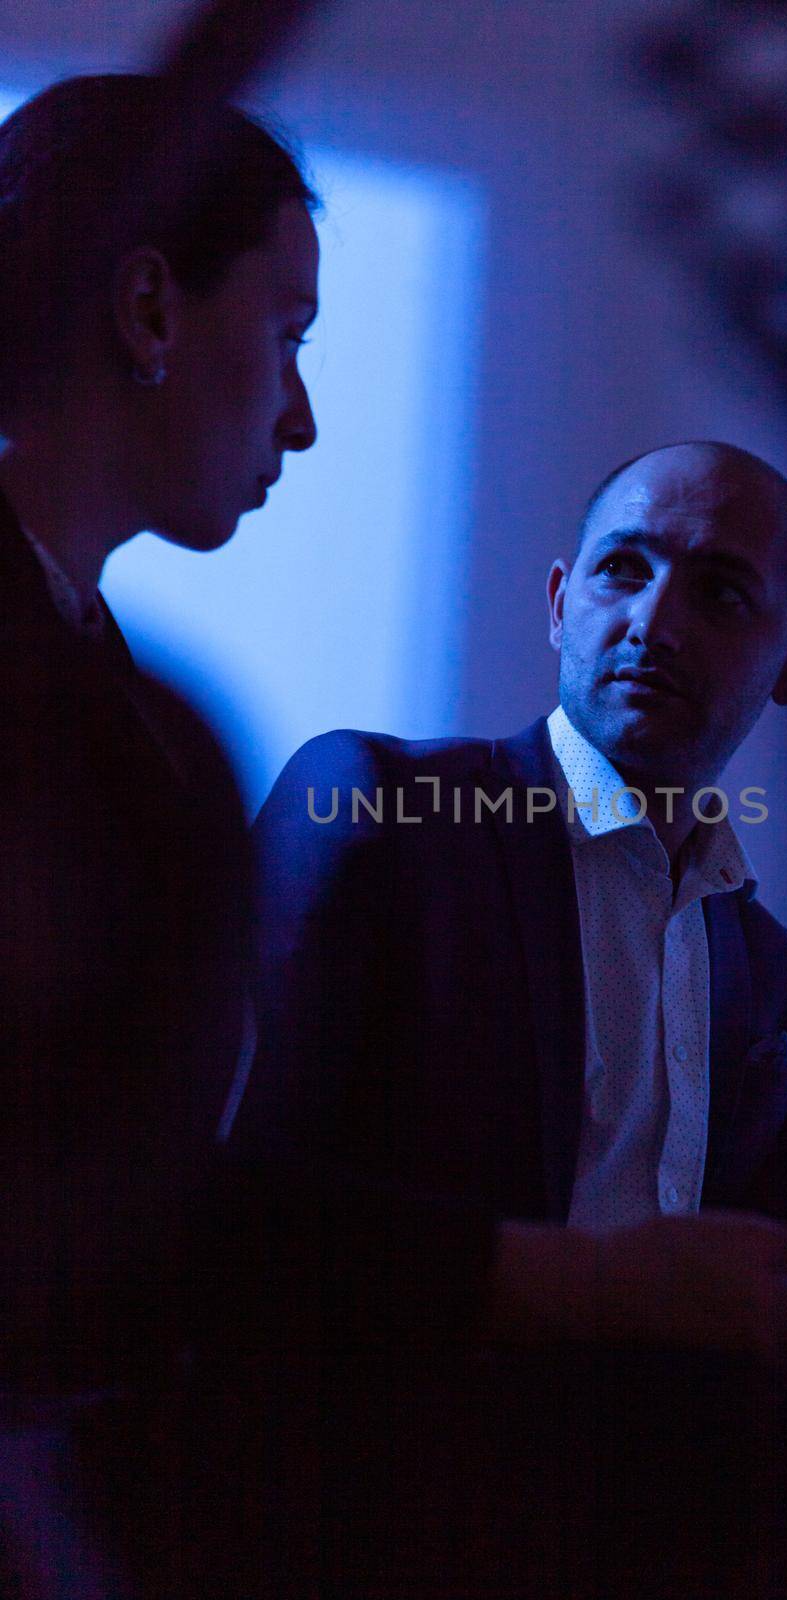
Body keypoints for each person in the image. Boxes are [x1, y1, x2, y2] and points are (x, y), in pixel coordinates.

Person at [243, 440, 787, 1596]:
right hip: (368, 1526)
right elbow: (224, 1207)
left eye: (719, 591)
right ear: (557, 600)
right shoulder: (379, 815)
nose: (651, 619)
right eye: (621, 569)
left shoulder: (778, 982)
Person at [0, 72, 319, 1594]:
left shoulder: (93, 684)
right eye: (290, 335)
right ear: (147, 306)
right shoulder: (63, 730)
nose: (301, 417)